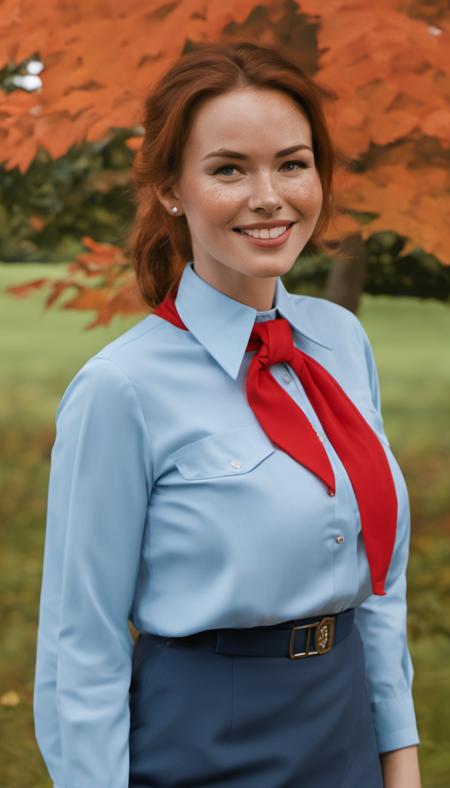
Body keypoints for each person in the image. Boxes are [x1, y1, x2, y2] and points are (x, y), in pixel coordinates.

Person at [33, 40, 422, 787]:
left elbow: (379, 580)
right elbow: (80, 645)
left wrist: (398, 761)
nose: (269, 196)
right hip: (204, 743)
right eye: (228, 169)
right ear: (173, 189)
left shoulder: (342, 342)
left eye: (292, 162)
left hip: (344, 732)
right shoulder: (121, 389)